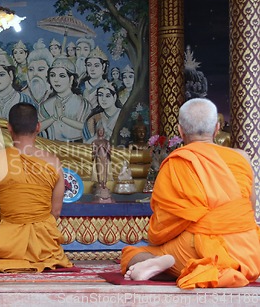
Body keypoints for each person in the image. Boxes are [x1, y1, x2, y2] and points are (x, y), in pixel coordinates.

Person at [121, 98, 260, 289]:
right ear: (217, 128)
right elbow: (250, 210)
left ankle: (161, 262)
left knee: (131, 254)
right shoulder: (241, 157)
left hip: (196, 246)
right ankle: (206, 265)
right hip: (247, 249)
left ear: (180, 130)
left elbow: (164, 224)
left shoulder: (177, 162)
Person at [0, 102, 73, 272]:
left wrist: (5, 227)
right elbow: (55, 212)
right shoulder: (53, 162)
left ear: (9, 128)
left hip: (6, 247)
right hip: (44, 249)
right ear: (38, 127)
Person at [39, 56, 91, 142]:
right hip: (50, 148)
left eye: (62, 76)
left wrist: (62, 118)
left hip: (75, 149)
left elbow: (88, 129)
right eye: (52, 75)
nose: (56, 80)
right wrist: (54, 118)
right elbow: (35, 129)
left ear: (71, 79)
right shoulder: (45, 105)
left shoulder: (82, 104)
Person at [21, 39, 54, 106]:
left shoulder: (55, 96)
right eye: (31, 70)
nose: (35, 74)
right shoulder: (21, 97)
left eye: (40, 70)